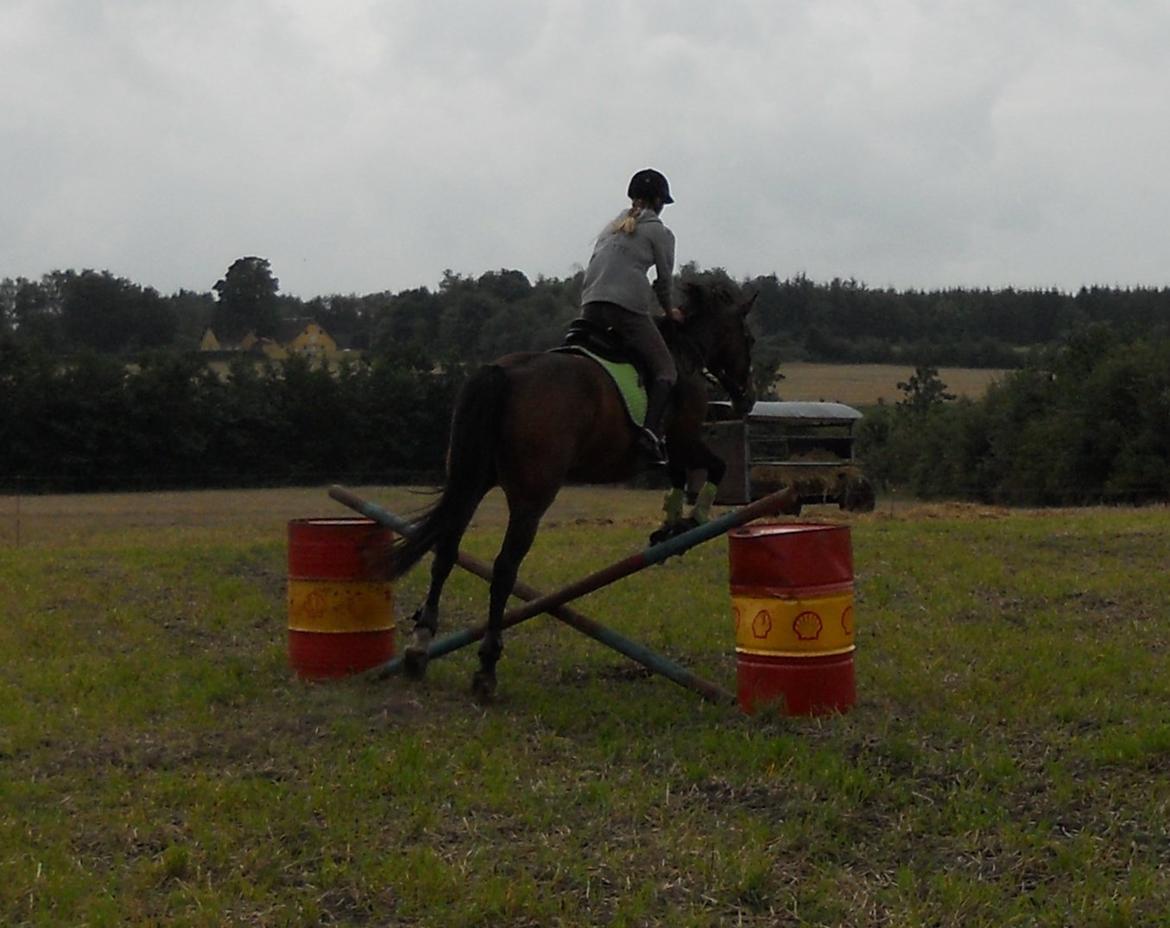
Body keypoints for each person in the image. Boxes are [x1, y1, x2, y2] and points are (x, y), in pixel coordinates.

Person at [579, 168, 683, 466]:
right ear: (659, 201)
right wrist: (668, 311)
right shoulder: (659, 232)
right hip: (624, 308)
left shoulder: (611, 228)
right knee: (666, 372)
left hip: (589, 304)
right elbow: (664, 281)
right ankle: (649, 434)